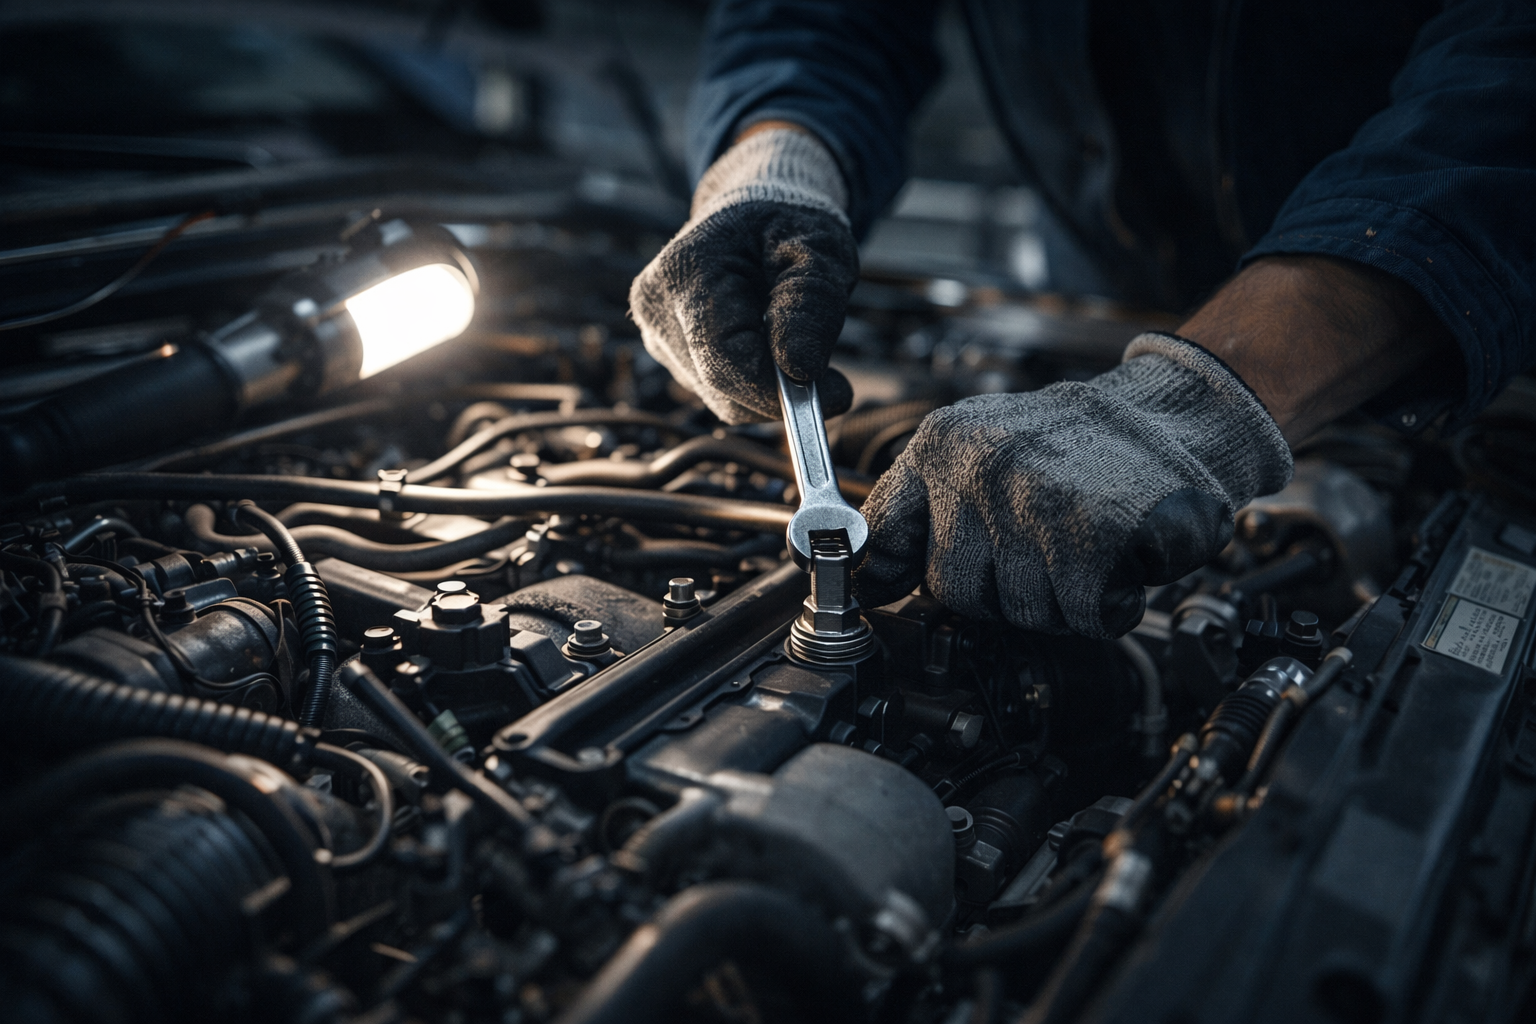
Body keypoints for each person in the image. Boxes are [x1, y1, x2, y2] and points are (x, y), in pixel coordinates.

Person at [629, 0, 1536, 638]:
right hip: (1094, 292)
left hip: (1461, 306)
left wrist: (1191, 403)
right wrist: (774, 161)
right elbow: (822, 15)